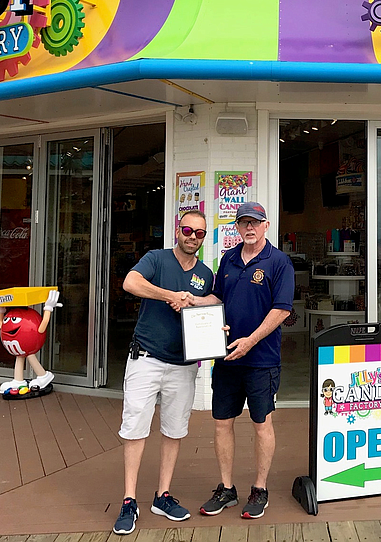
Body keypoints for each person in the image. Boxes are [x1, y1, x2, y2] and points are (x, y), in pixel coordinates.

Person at [189, 201, 294, 519]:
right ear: (237, 228)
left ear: (266, 226)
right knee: (222, 424)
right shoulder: (229, 259)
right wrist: (192, 301)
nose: (249, 228)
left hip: (262, 359)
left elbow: (282, 309)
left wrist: (251, 341)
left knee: (262, 424)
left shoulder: (279, 262)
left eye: (255, 223)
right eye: (243, 223)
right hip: (227, 358)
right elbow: (218, 297)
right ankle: (226, 488)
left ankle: (260, 489)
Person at [112, 210, 213, 535]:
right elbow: (131, 282)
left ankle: (162, 495)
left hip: (183, 365)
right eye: (187, 230)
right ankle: (129, 500)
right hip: (146, 358)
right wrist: (170, 295)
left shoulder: (205, 273)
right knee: (135, 427)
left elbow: (212, 300)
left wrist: (196, 302)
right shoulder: (156, 259)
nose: (192, 237)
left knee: (174, 431)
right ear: (177, 230)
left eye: (199, 233)